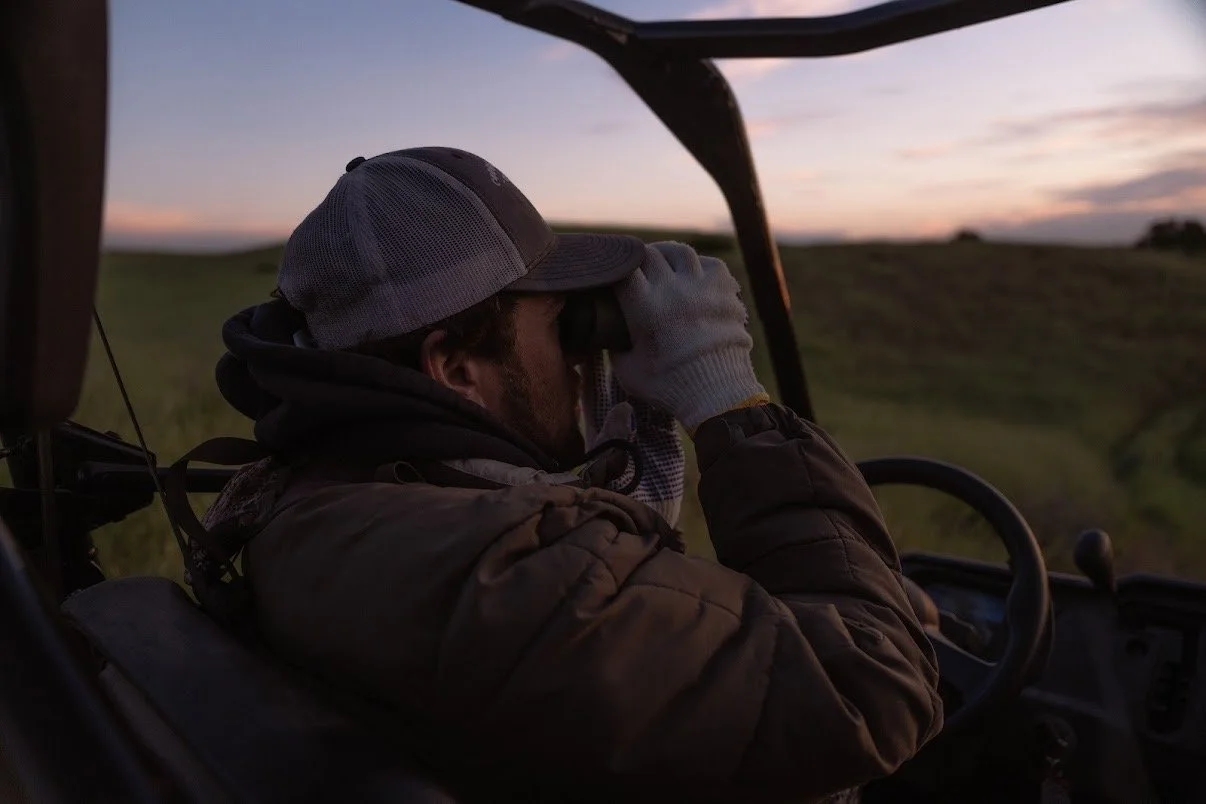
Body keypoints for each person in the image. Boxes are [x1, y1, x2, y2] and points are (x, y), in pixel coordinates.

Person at [197, 146, 943, 803]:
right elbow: (870, 688)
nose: (587, 360)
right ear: (456, 368)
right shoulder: (519, 574)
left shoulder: (317, 495)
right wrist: (727, 403)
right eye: (561, 327)